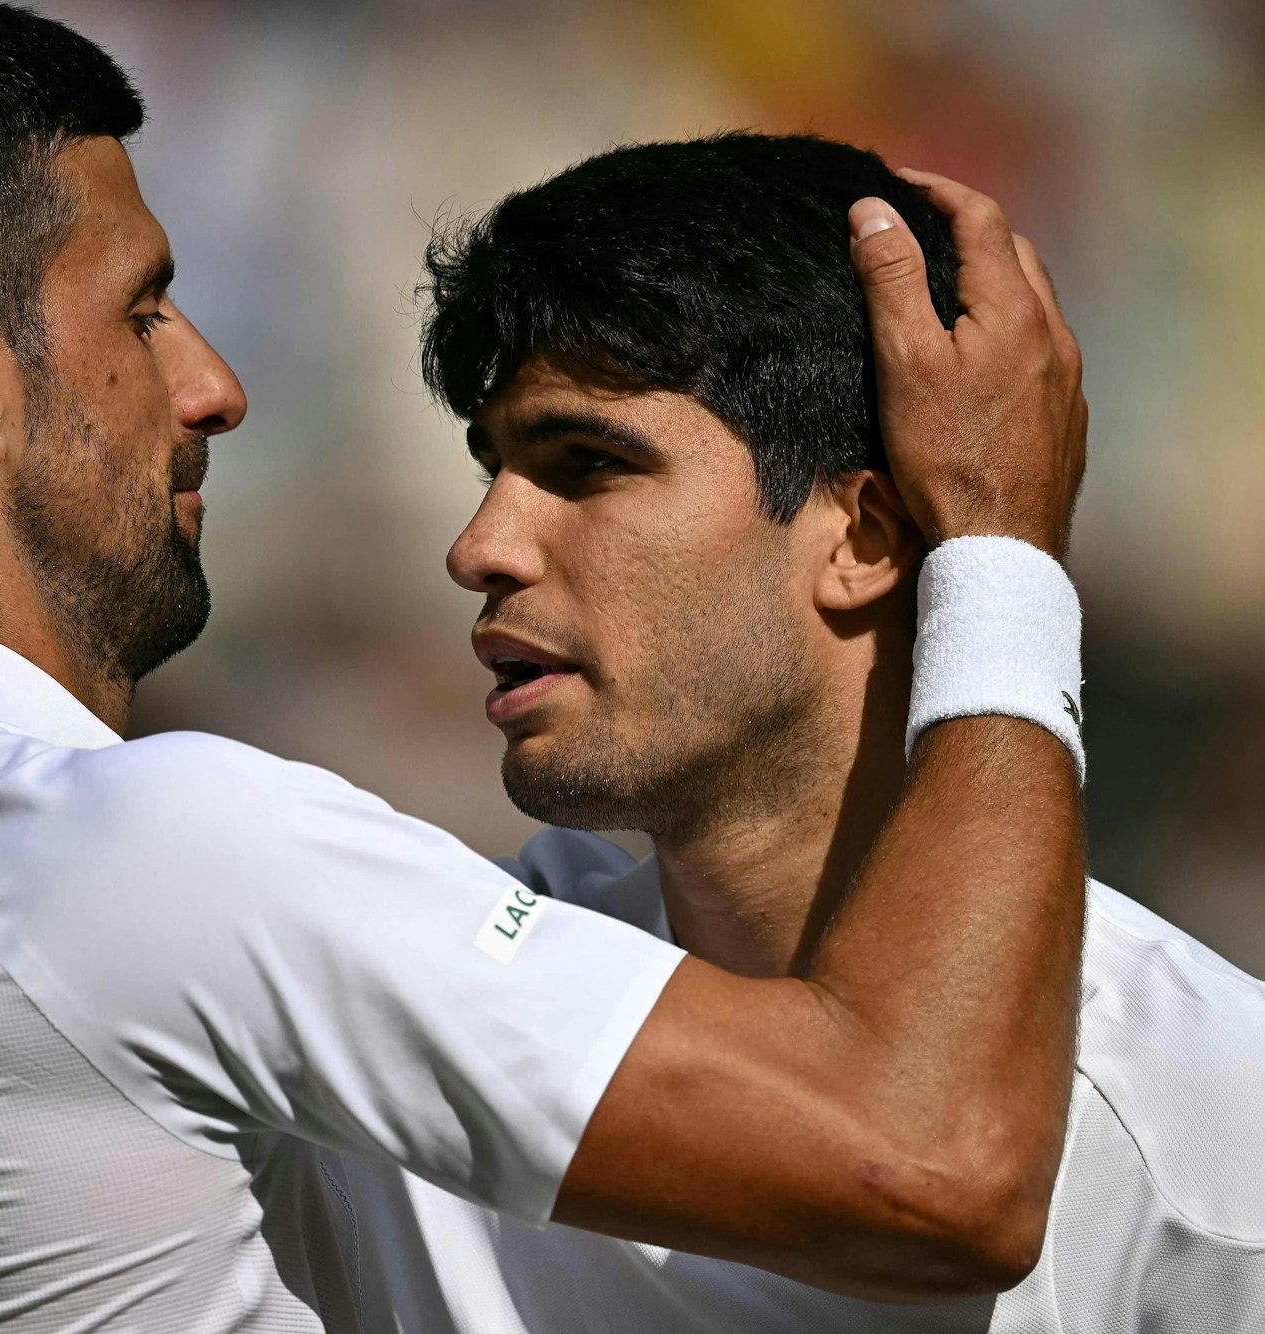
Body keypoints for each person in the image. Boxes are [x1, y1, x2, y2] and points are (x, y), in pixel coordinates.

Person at [0, 2, 1089, 1329]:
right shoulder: (144, 850)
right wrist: (999, 545)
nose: (211, 385)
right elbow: (931, 1164)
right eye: (142, 308)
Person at [316, 138, 1263, 1332]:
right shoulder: (404, 1008)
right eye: (494, 465)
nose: (480, 544)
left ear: (864, 538)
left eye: (588, 463)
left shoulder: (1218, 1146)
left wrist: (999, 547)